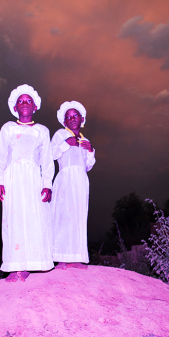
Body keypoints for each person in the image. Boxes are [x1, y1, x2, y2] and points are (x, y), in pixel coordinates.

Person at [0, 84, 55, 282]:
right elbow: (0, 156)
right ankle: (14, 265)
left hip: (33, 180)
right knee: (14, 219)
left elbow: (47, 160)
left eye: (29, 100)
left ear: (35, 106)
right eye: (21, 101)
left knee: (34, 219)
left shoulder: (42, 131)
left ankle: (31, 264)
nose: (25, 104)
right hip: (12, 180)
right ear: (15, 107)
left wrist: (47, 183)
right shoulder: (8, 128)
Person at [51, 101, 95, 270]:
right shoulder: (60, 135)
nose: (72, 119)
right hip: (66, 179)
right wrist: (65, 143)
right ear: (64, 122)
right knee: (64, 216)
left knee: (78, 217)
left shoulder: (85, 140)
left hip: (81, 181)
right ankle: (61, 258)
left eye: (75, 115)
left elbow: (89, 165)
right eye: (68, 117)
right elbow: (52, 154)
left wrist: (90, 150)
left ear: (81, 118)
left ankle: (75, 257)